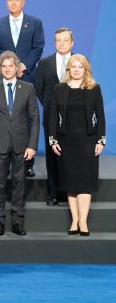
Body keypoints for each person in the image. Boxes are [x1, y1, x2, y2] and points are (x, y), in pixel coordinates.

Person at [0, 51, 39, 236]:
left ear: (17, 68)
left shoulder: (28, 88)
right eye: (4, 66)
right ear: (0, 69)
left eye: (11, 66)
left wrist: (32, 145)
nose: (7, 69)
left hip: (22, 145)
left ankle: (18, 222)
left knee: (19, 184)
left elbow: (35, 119)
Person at [49, 54, 105, 236]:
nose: (76, 70)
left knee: (84, 183)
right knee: (71, 183)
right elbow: (52, 117)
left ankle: (83, 222)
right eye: (73, 66)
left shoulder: (94, 88)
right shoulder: (59, 88)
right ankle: (74, 220)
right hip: (66, 141)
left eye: (80, 67)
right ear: (68, 69)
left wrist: (100, 140)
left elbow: (101, 117)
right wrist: (53, 139)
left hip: (88, 141)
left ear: (85, 69)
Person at [0, 0, 44, 177]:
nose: (12, 3)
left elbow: (38, 47)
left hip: (26, 76)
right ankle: (4, 160)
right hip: (4, 76)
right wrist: (10, 67)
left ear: (23, 3)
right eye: (9, 0)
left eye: (16, 0)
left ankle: (27, 163)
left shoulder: (35, 23)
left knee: (26, 118)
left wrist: (22, 67)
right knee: (5, 117)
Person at [35, 28, 75, 206]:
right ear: (55, 42)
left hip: (76, 118)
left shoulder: (79, 62)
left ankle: (70, 192)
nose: (62, 43)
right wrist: (51, 107)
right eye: (58, 40)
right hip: (50, 115)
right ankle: (52, 194)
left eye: (65, 40)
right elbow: (38, 88)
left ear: (72, 42)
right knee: (52, 155)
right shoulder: (45, 63)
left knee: (71, 155)